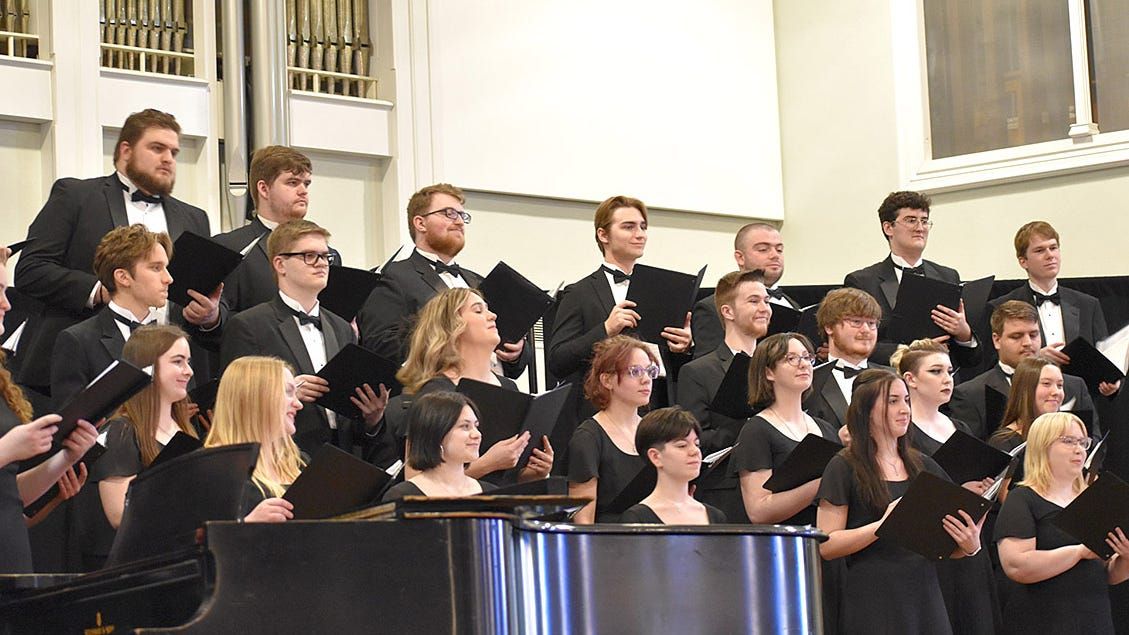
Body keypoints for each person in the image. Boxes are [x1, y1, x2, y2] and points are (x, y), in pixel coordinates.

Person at [14, 109, 214, 397]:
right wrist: (105, 289)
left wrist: (209, 315)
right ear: (126, 150)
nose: (168, 158)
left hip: (170, 374)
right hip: (84, 365)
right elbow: (31, 269)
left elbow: (191, 291)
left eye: (174, 151)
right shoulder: (76, 196)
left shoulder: (194, 218)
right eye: (157, 148)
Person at [816, 368, 982, 635]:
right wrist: (882, 525)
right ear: (866, 410)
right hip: (873, 597)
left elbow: (946, 542)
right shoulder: (844, 465)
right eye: (892, 401)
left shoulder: (923, 465)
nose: (904, 409)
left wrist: (968, 545)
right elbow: (827, 545)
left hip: (924, 592)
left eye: (906, 400)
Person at [220, 220, 388, 456]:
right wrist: (286, 394)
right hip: (282, 457)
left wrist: (372, 417)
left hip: (343, 458)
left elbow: (352, 419)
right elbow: (236, 404)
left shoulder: (342, 328)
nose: (321, 264)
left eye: (325, 256)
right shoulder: (249, 326)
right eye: (309, 256)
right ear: (280, 264)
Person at [548, 195, 693, 460]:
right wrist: (605, 329)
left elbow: (668, 365)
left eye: (643, 227)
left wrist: (683, 347)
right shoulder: (578, 293)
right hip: (599, 418)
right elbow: (557, 360)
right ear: (603, 234)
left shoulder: (661, 289)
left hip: (654, 414)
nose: (640, 234)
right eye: (628, 227)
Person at [356, 183, 529, 378]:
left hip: (493, 392)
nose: (460, 222)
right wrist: (448, 335)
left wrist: (517, 352)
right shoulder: (393, 276)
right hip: (432, 396)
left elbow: (513, 363)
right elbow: (381, 344)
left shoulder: (477, 282)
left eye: (462, 216)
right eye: (449, 213)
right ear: (420, 223)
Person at [892, 338, 1002, 635]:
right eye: (936, 371)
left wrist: (984, 487)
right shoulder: (903, 431)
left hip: (967, 538)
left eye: (950, 372)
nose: (946, 380)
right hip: (932, 546)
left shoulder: (959, 427)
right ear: (910, 380)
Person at [0, 248, 99, 572]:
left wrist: (65, 459)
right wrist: (7, 449)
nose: (7, 304)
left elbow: (10, 496)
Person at [389, 288, 553, 481]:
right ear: (453, 328)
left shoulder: (509, 387)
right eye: (478, 311)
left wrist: (534, 473)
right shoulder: (435, 393)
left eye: (488, 309)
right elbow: (415, 479)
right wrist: (486, 464)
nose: (493, 316)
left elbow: (506, 478)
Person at [51, 224, 222, 406]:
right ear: (123, 277)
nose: (169, 279)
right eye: (156, 268)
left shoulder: (175, 337)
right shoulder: (78, 341)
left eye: (166, 267)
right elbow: (73, 423)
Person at [77, 325, 201, 570]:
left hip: (182, 560)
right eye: (178, 362)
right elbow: (119, 515)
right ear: (148, 367)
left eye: (188, 361)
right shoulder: (121, 432)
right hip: (140, 568)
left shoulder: (185, 428)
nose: (188, 371)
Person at [996, 412, 1129, 634]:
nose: (1079, 449)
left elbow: (1108, 573)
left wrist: (1125, 557)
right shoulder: (1023, 499)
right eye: (1068, 441)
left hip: (1094, 618)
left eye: (1082, 442)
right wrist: (1078, 552)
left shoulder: (1093, 499)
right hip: (1043, 620)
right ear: (1042, 447)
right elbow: (1017, 565)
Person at [843, 190, 980, 371]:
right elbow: (854, 343)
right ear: (888, 228)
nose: (920, 227)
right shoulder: (862, 282)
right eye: (911, 220)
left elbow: (971, 359)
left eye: (924, 221)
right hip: (889, 379)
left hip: (943, 382)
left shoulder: (948, 276)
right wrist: (907, 352)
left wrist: (964, 334)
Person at [990, 221, 1118, 397]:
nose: (1050, 255)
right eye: (1040, 250)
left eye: (1054, 248)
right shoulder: (1001, 306)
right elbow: (991, 365)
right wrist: (1034, 357)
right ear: (1023, 261)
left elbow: (1106, 359)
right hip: (1025, 399)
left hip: (1077, 402)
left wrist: (1112, 383)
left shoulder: (1088, 304)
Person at [212, 146, 342, 313]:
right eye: (293, 182)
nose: (303, 191)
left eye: (306, 184)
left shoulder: (328, 256)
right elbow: (219, 319)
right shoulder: (228, 247)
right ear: (264, 189)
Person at [950, 301, 1096, 440]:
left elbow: (1092, 440)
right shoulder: (970, 394)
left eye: (1033, 335)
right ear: (997, 340)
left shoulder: (1074, 386)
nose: (1028, 343)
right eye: (1016, 336)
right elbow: (972, 455)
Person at [733, 333, 839, 525]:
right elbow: (758, 511)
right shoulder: (756, 430)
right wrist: (821, 484)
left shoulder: (826, 428)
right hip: (786, 545)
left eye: (807, 357)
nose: (804, 364)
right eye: (791, 358)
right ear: (768, 372)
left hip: (827, 540)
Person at [676, 269, 771, 456]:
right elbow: (694, 439)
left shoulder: (775, 365)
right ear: (728, 312)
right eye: (754, 301)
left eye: (766, 301)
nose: (764, 308)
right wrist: (751, 429)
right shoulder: (698, 372)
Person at [567, 335, 658, 523]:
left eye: (650, 371)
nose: (646, 379)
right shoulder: (589, 437)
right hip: (611, 543)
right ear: (607, 380)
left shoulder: (654, 430)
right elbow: (584, 518)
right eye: (635, 372)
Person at [204, 356, 302, 523]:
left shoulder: (297, 461)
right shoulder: (214, 468)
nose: (298, 404)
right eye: (287, 392)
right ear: (256, 397)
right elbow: (199, 543)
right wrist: (248, 523)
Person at [692, 224, 797, 358]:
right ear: (740, 257)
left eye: (779, 250)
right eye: (763, 249)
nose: (775, 255)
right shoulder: (712, 308)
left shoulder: (792, 304)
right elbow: (709, 368)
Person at [804, 288, 890, 436]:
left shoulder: (893, 378)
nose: (866, 330)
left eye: (871, 323)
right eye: (856, 322)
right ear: (829, 327)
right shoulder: (809, 381)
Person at [381, 392, 498, 500]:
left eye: (476, 426)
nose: (477, 434)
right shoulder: (402, 496)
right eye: (465, 426)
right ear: (437, 433)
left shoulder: (493, 493)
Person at [620, 407, 726, 524]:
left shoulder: (715, 516)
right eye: (682, 445)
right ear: (655, 456)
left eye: (696, 444)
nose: (694, 451)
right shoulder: (637, 518)